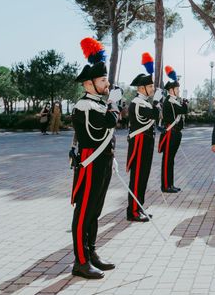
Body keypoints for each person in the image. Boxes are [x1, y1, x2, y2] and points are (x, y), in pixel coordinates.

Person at [69, 37, 121, 279]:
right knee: (84, 211)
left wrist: (111, 104)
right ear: (88, 84)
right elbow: (102, 126)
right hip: (91, 162)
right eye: (103, 81)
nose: (107, 84)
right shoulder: (85, 106)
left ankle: (91, 253)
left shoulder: (98, 103)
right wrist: (114, 105)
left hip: (102, 162)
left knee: (96, 210)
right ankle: (80, 261)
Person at [126, 52, 161, 222]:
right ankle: (132, 211)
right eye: (150, 86)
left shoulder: (144, 102)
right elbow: (155, 114)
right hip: (139, 143)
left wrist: (155, 103)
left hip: (146, 142)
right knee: (138, 177)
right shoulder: (137, 103)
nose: (152, 89)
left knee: (143, 177)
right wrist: (156, 103)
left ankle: (139, 207)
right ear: (141, 88)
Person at [159, 65, 188, 193]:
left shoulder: (174, 101)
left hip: (176, 133)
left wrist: (183, 102)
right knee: (167, 160)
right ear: (171, 90)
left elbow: (183, 110)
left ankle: (170, 184)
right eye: (177, 89)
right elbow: (183, 110)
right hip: (171, 133)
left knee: (171, 160)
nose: (178, 91)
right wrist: (184, 103)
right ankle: (166, 185)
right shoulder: (169, 102)